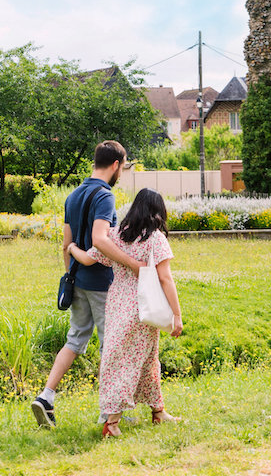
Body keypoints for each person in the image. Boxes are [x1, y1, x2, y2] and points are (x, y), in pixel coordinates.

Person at [31, 140, 144, 429]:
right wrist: (134, 266)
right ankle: (109, 413)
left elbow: (66, 245)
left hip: (78, 280)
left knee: (75, 340)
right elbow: (100, 240)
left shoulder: (73, 196)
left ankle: (46, 397)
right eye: (124, 166)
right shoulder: (104, 196)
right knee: (112, 345)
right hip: (103, 285)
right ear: (116, 165)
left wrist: (72, 277)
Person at [66, 188, 183, 438]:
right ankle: (112, 422)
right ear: (158, 212)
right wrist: (177, 315)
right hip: (144, 307)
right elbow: (166, 278)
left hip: (117, 303)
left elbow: (87, 259)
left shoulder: (116, 236)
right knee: (130, 363)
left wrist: (72, 247)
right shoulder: (155, 239)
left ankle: (158, 411)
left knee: (146, 359)